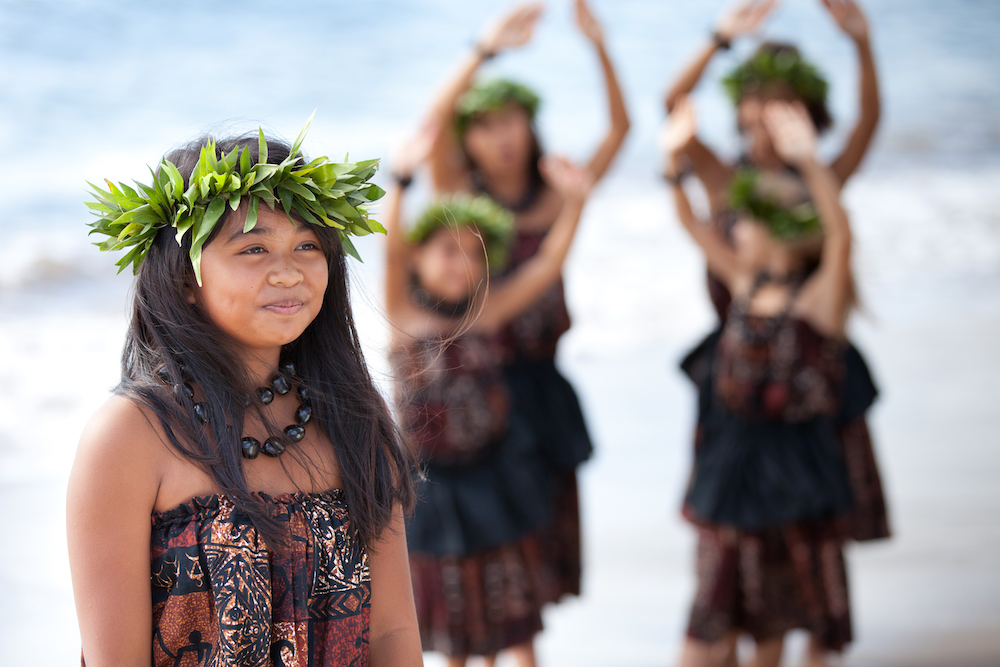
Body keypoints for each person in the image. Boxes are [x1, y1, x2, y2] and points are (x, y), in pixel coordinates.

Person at [67, 122, 422, 667]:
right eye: (253, 248)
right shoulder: (130, 436)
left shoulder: (351, 413)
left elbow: (393, 633)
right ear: (186, 278)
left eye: (307, 245)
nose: (287, 273)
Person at [665, 0, 890, 577]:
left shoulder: (819, 181)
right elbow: (673, 106)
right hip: (738, 359)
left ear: (806, 113)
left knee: (817, 509)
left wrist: (861, 44)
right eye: (755, 99)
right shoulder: (724, 181)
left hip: (812, 362)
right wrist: (718, 39)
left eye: (781, 102)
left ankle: (815, 633)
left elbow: (869, 123)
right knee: (730, 510)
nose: (764, 113)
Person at [421, 0, 631, 602]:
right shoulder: (462, 202)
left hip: (543, 384)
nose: (502, 137)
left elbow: (620, 132)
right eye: (485, 126)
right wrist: (484, 48)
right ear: (470, 139)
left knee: (541, 556)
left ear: (531, 124)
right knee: (497, 562)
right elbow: (433, 123)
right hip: (483, 387)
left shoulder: (563, 192)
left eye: (511, 120)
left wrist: (598, 46)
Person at [663, 97, 869, 667]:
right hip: (731, 471)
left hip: (795, 478)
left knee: (779, 625)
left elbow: (840, 235)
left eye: (746, 218)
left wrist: (809, 161)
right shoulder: (741, 282)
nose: (734, 226)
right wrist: (670, 159)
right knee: (716, 621)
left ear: (776, 228)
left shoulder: (817, 302)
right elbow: (686, 220)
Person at [384, 126, 592, 667]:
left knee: (512, 612)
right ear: (418, 259)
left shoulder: (487, 313)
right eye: (447, 251)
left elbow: (546, 265)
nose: (461, 263)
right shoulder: (405, 318)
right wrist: (402, 181)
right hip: (432, 483)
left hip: (496, 473)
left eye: (474, 255)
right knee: (455, 619)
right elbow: (390, 250)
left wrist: (575, 204)